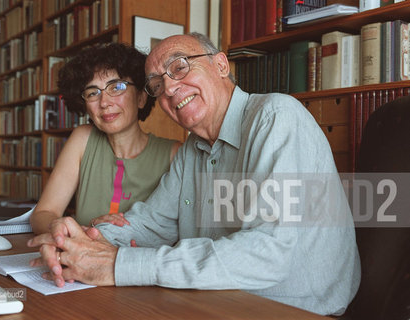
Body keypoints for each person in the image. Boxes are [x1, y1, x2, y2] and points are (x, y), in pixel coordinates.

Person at [28, 33, 360, 316]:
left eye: (179, 67)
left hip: (294, 308)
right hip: (223, 300)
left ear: (221, 66)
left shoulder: (276, 117)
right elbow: (152, 222)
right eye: (158, 84)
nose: (170, 88)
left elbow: (267, 254)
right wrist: (75, 243)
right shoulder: (193, 148)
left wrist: (117, 264)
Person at [29, 42, 181, 235]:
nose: (104, 102)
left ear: (141, 98)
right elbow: (43, 213)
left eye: (116, 87)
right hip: (80, 256)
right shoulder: (82, 139)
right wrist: (74, 233)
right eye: (93, 93)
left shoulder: (174, 154)